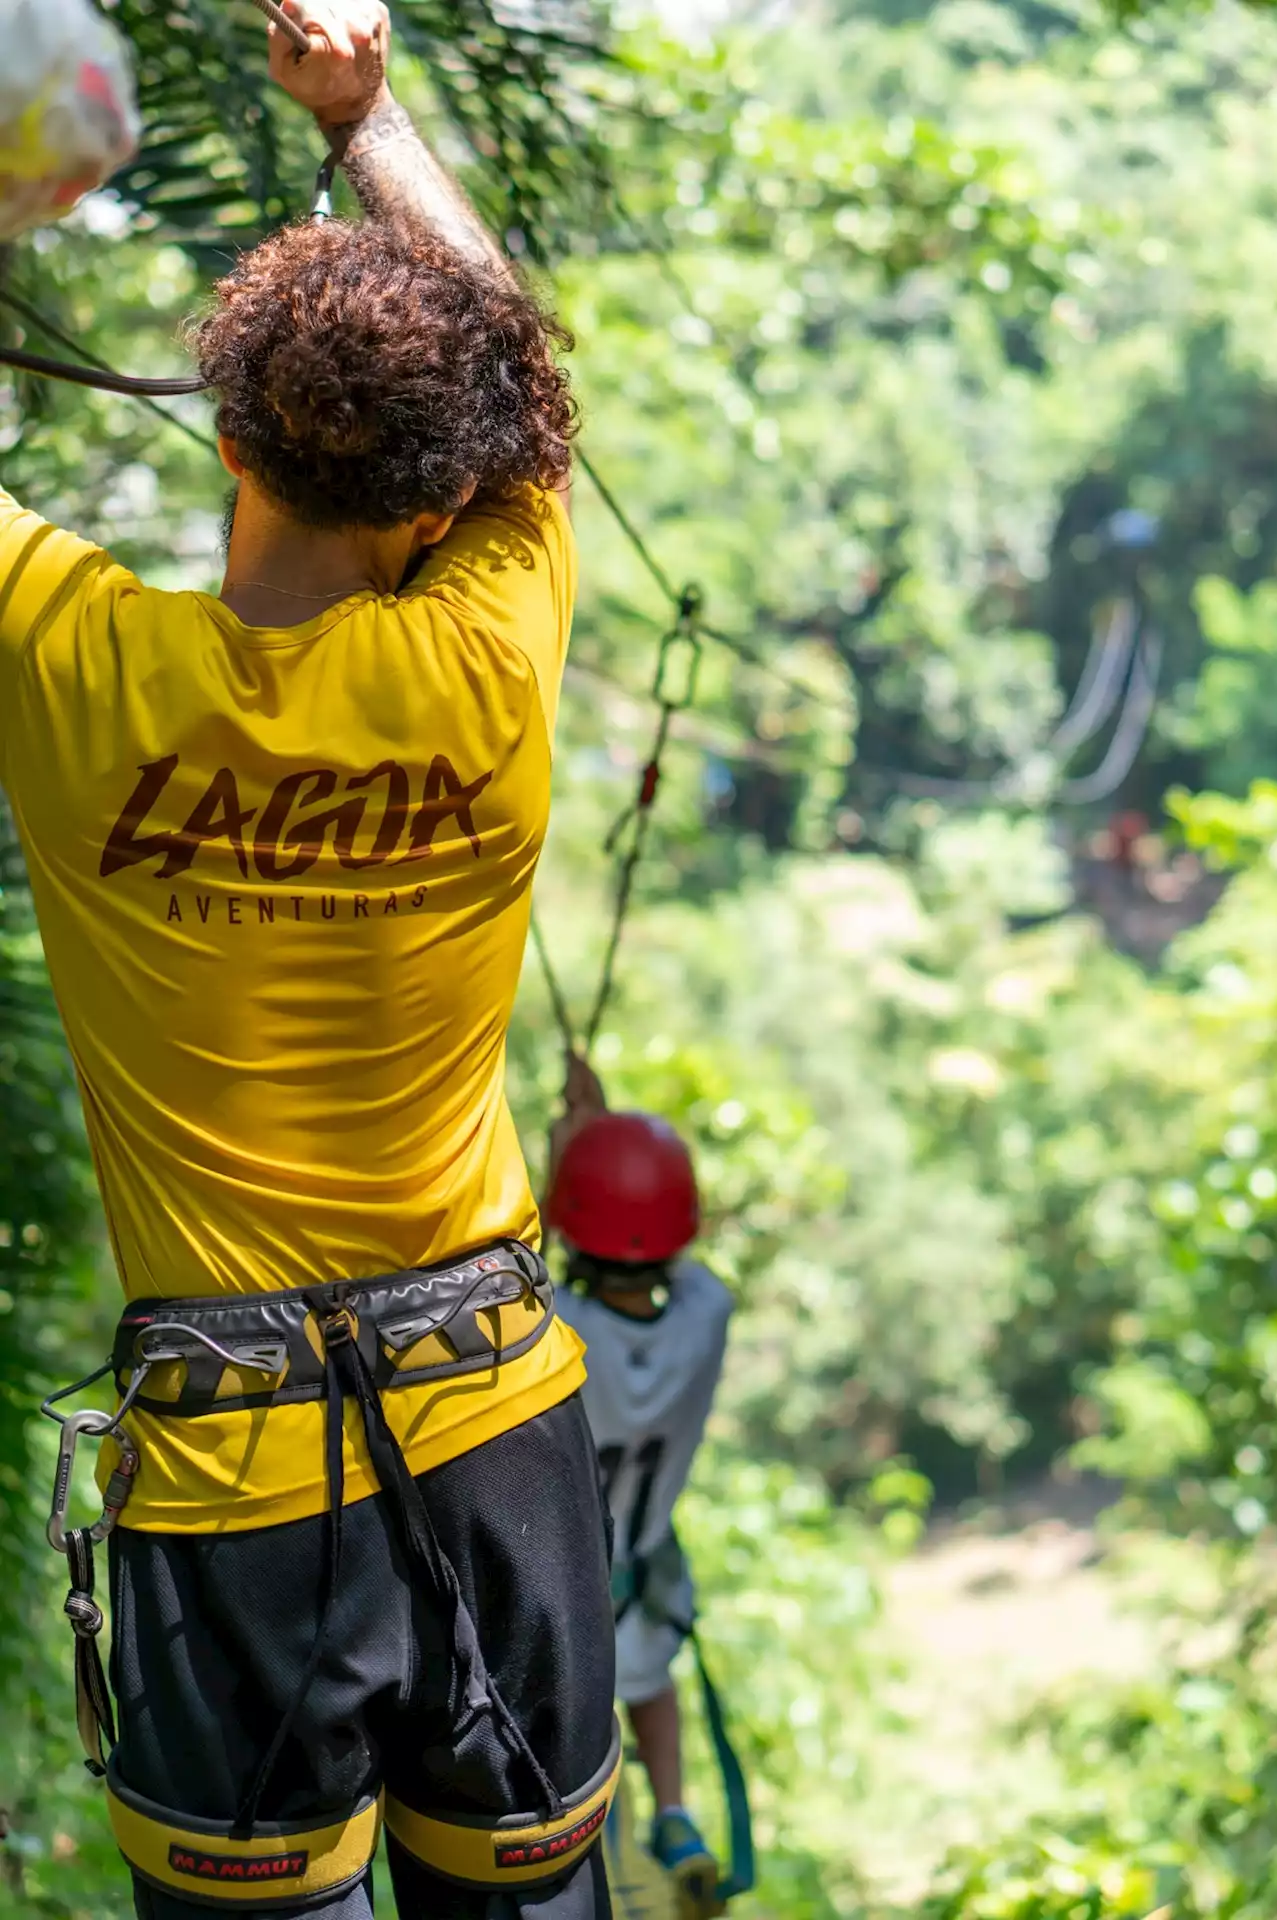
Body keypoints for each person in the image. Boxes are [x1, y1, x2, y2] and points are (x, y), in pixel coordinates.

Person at [0, 4, 620, 1915]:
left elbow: (508, 387)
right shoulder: (489, 647)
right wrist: (362, 121)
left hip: (237, 1488)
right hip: (498, 1426)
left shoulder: (75, 663)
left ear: (232, 431)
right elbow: (528, 369)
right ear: (443, 502)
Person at [546, 1060, 733, 1918]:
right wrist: (602, 1137)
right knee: (652, 1688)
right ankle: (677, 1814)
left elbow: (525, 1266)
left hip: (572, 1579)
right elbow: (672, 1249)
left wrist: (570, 1159)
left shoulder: (562, 1330)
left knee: (582, 1729)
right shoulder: (706, 1318)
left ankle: (607, 1857)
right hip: (647, 1564)